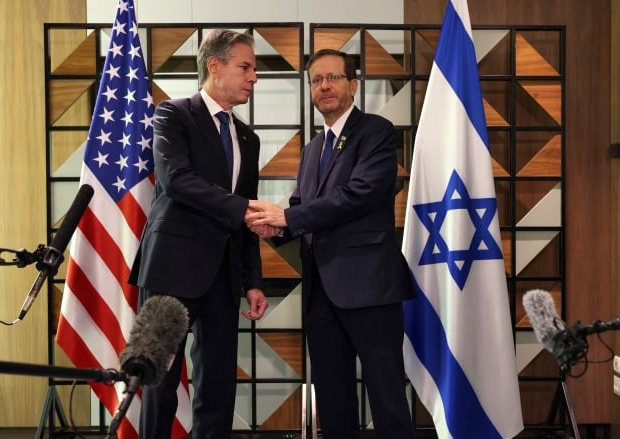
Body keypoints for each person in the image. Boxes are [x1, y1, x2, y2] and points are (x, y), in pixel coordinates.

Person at [246, 48, 416, 439]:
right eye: (316, 80)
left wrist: (289, 218)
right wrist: (276, 228)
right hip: (320, 294)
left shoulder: (375, 131)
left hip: (370, 288)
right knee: (333, 399)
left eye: (333, 78)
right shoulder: (311, 149)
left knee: (386, 396)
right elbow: (299, 207)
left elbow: (360, 194)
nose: (324, 86)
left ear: (353, 85)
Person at [128, 29, 269, 439]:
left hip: (223, 278)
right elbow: (177, 180)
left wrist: (253, 281)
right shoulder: (173, 114)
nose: (253, 77)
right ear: (214, 65)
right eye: (245, 67)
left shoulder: (249, 138)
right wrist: (242, 207)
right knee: (158, 381)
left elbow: (248, 212)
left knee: (218, 386)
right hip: (171, 269)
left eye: (254, 69)